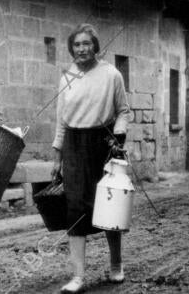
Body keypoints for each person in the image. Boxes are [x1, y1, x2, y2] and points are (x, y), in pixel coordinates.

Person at [51, 23, 131, 293]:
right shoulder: (67, 77)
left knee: (110, 206)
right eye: (77, 45)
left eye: (86, 43)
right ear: (71, 48)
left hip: (103, 144)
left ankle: (116, 265)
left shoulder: (111, 75)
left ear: (95, 46)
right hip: (74, 147)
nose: (82, 49)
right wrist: (56, 157)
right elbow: (61, 120)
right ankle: (78, 276)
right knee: (74, 210)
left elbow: (123, 111)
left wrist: (118, 136)